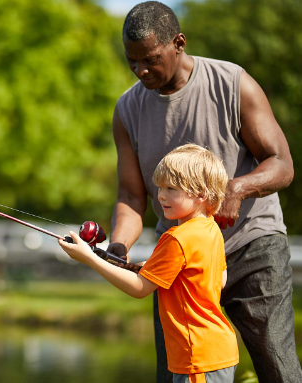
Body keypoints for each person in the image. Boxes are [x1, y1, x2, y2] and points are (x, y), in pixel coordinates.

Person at [107, 2, 301, 382]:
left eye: (150, 59)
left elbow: (282, 163)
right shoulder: (127, 109)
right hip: (179, 257)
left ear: (178, 43)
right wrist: (118, 246)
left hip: (251, 244)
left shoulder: (232, 83)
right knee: (178, 373)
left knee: (278, 367)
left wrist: (238, 188)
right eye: (132, 62)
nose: (140, 70)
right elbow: (132, 196)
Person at [60, 144, 239, 382]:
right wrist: (160, 270)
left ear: (201, 194)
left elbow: (139, 288)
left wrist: (90, 258)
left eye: (171, 188)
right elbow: (219, 277)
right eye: (159, 187)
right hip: (217, 350)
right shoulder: (210, 228)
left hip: (198, 358)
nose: (161, 195)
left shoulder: (177, 237)